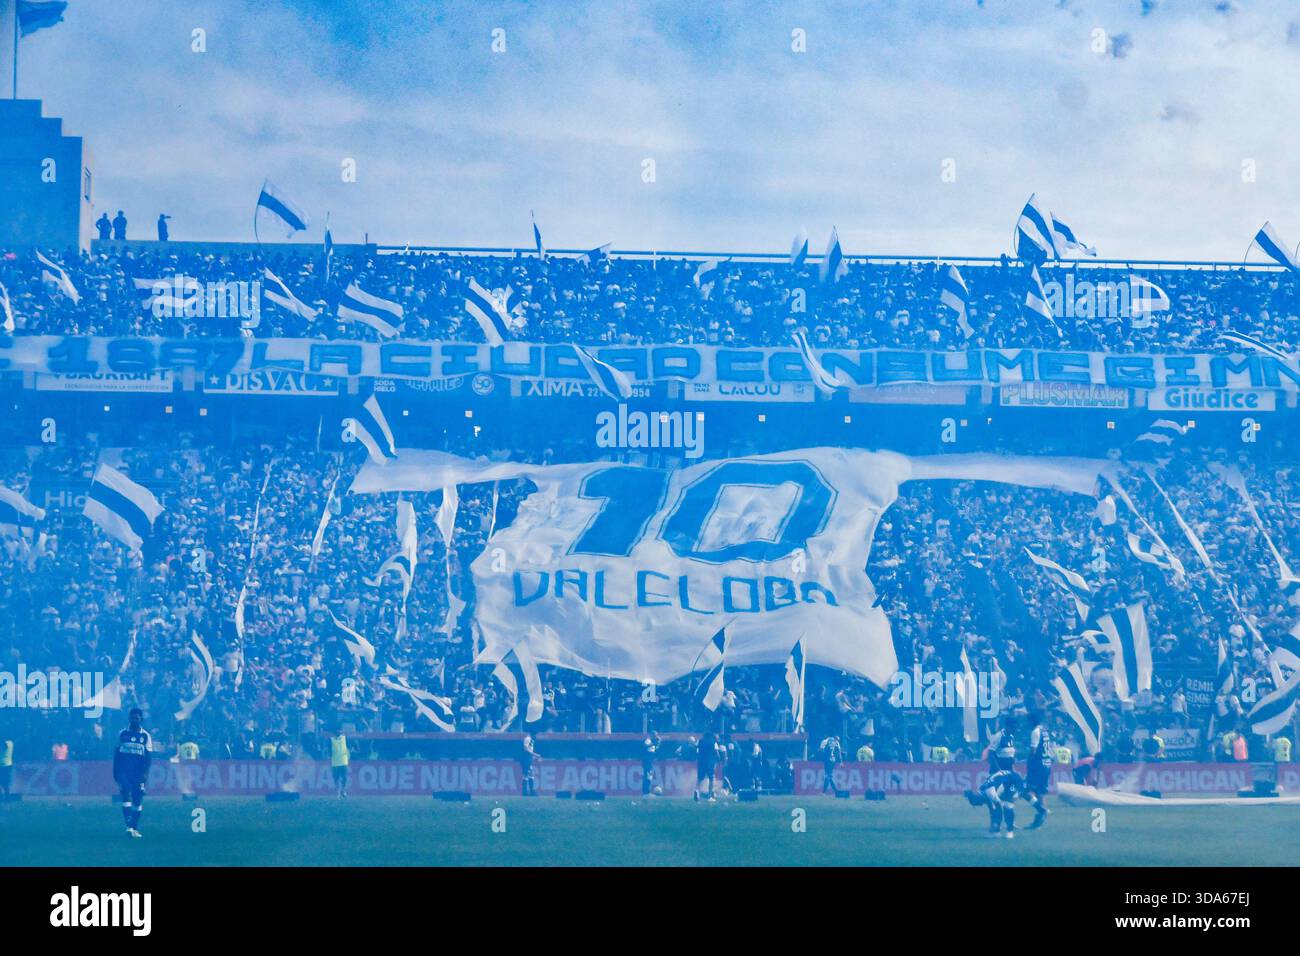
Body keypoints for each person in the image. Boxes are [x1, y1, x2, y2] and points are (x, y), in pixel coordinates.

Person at [112, 708, 152, 838]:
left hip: (138, 773)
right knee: (125, 795)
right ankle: (129, 827)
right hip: (124, 771)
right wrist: (115, 771)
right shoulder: (122, 734)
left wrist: (146, 773)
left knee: (138, 800)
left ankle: (133, 827)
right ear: (129, 718)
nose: (134, 720)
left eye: (137, 718)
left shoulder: (146, 736)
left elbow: (148, 757)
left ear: (141, 719)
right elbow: (117, 754)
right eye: (132, 717)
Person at [965, 766, 1025, 839]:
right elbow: (992, 808)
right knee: (1001, 806)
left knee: (1008, 805)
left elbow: (998, 808)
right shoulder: (982, 791)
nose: (981, 805)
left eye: (978, 804)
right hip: (1006, 782)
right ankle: (997, 832)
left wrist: (996, 826)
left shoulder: (989, 792)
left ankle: (1010, 831)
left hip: (1014, 782)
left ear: (978, 799)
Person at [1023, 710, 1052, 830]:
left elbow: (1033, 751)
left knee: (1026, 790)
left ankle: (1042, 811)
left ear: (1031, 721)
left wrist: (1027, 761)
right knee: (1040, 792)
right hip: (1046, 764)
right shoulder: (1045, 731)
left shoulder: (1035, 732)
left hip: (1038, 766)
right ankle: (1041, 818)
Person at [693, 732, 718, 802]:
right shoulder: (713, 742)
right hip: (710, 762)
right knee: (711, 778)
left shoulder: (700, 741)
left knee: (699, 779)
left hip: (701, 761)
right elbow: (716, 752)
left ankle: (696, 791)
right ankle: (710, 795)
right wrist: (718, 759)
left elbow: (696, 748)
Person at [329, 730, 349, 797]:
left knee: (344, 777)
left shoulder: (345, 738)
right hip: (335, 762)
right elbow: (329, 750)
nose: (339, 733)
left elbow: (351, 745)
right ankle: (338, 791)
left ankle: (343, 791)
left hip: (343, 761)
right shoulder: (331, 740)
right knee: (336, 778)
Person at [640, 730, 661, 795]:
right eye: (654, 735)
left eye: (656, 735)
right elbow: (645, 746)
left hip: (650, 761)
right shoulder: (648, 740)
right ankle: (646, 792)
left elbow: (655, 749)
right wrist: (653, 743)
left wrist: (658, 744)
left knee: (649, 776)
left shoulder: (655, 741)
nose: (655, 737)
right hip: (647, 761)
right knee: (647, 776)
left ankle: (647, 791)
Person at [521, 731, 540, 796]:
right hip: (526, 758)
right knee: (526, 774)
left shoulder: (531, 740)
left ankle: (530, 791)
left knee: (530, 774)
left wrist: (533, 757)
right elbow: (525, 749)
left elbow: (529, 749)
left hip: (529, 758)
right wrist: (535, 754)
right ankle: (526, 792)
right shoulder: (527, 739)